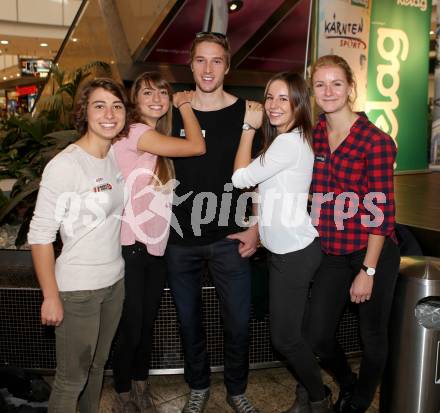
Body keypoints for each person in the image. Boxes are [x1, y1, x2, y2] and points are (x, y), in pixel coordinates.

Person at [165, 32, 260, 413]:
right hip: (180, 235)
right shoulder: (172, 112)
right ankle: (198, 386)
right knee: (188, 322)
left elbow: (262, 173)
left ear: (228, 66)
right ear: (190, 64)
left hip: (231, 236)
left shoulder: (248, 112)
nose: (208, 69)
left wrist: (256, 226)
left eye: (216, 60)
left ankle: (237, 389)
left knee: (238, 321)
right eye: (200, 60)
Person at [231, 71, 333, 413]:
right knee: (294, 336)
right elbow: (263, 189)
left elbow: (240, 178)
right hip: (286, 252)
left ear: (299, 103)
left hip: (294, 254)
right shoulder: (288, 139)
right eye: (269, 97)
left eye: (283, 99)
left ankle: (319, 400)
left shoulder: (289, 142)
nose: (273, 106)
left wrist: (247, 128)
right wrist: (258, 231)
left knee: (285, 339)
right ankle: (308, 394)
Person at [28, 78, 129, 413]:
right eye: (99, 105)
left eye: (117, 105)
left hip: (113, 283)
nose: (110, 114)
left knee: (97, 369)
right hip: (77, 291)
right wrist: (51, 296)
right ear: (84, 112)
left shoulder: (112, 155)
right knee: (71, 380)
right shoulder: (65, 166)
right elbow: (41, 235)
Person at [307, 54, 400, 413]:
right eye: (320, 84)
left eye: (336, 83)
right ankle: (347, 383)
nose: (328, 91)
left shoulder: (375, 141)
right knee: (317, 335)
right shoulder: (315, 134)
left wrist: (369, 271)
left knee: (372, 335)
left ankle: (359, 402)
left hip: (370, 251)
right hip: (332, 251)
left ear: (350, 89)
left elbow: (383, 214)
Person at [111, 72, 205, 413]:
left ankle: (140, 385)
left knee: (145, 322)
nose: (156, 98)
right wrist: (186, 106)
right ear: (135, 100)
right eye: (147, 92)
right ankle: (123, 391)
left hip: (153, 247)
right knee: (132, 326)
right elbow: (196, 146)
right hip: (131, 246)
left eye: (163, 93)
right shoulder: (138, 133)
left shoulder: (154, 138)